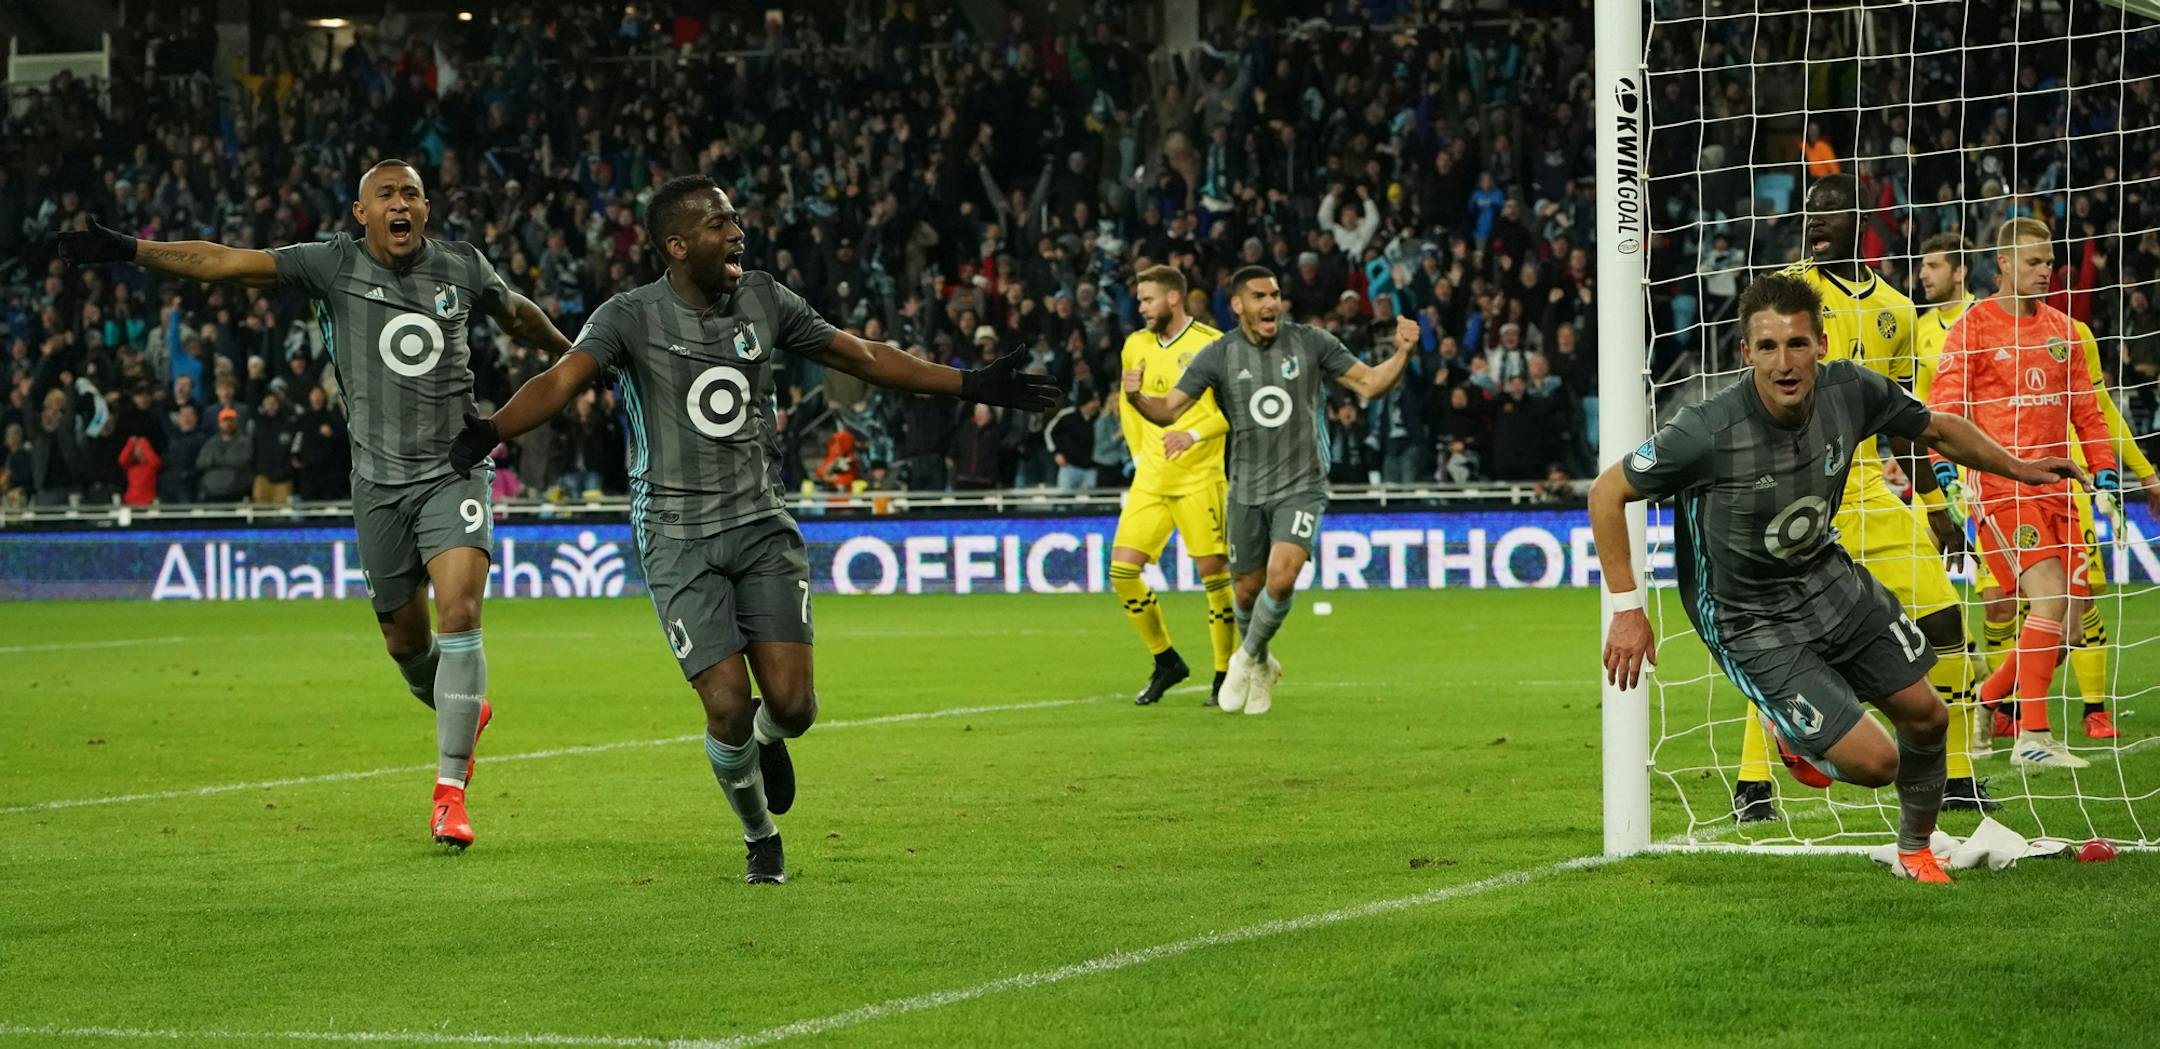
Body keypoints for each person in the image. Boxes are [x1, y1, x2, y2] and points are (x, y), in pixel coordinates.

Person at [449, 176, 1055, 885]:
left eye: (736, 217)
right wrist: (492, 430)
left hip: (761, 522)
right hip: (676, 532)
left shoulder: (764, 298)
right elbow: (561, 380)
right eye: (717, 223)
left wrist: (970, 382)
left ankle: (773, 739)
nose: (736, 232)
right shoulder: (628, 316)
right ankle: (758, 832)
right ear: (676, 245)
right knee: (728, 705)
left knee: (793, 706)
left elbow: (860, 354)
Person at [59, 158, 577, 849]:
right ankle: (460, 703)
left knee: (460, 609)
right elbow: (221, 264)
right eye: (386, 194)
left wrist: (580, 356)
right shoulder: (328, 265)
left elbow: (519, 316)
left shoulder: (462, 266)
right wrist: (129, 249)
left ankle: (449, 792)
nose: (401, 204)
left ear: (427, 209)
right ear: (360, 213)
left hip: (454, 470)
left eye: (413, 195)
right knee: (405, 639)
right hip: (377, 485)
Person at [1594, 274, 2089, 883]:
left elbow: (1934, 428)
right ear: (1746, 354)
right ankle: (1795, 735)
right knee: (1878, 762)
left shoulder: (1850, 390)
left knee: (1928, 717)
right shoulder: (1707, 430)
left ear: (1822, 345)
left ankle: (1915, 852)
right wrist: (1626, 608)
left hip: (1827, 579)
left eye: (1797, 344)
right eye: (1768, 347)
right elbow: (1607, 491)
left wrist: (2020, 467)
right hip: (1747, 616)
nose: (1784, 362)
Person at [1728, 173, 1988, 820]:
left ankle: (1955, 775)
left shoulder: (1897, 310)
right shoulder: (1785, 295)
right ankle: (1752, 785)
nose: (1816, 219)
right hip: (1792, 494)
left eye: (1833, 209)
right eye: (1810, 208)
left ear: (1864, 217)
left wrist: (1934, 505)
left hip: (1869, 490)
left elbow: (1905, 421)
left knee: (1946, 619)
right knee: (1780, 639)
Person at [1125, 266, 1415, 714]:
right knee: (1245, 590)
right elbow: (1167, 412)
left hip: (1302, 483)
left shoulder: (1311, 341)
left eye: (1275, 295)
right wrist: (1137, 398)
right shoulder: (1219, 354)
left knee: (1282, 577)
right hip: (1246, 488)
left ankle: (1244, 660)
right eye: (1259, 296)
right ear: (1237, 305)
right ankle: (1262, 663)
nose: (1270, 304)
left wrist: (1403, 352)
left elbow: (1370, 384)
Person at [1916, 232, 2160, 745]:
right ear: (2002, 262)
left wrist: (2106, 474)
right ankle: (2035, 737)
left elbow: (2090, 414)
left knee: (2069, 627)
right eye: (2033, 261)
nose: (2045, 270)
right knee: (2045, 604)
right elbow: (1943, 410)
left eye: (2049, 261)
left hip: (2060, 491)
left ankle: (1987, 702)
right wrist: (1945, 473)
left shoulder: (2067, 332)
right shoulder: (1971, 328)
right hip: (2001, 488)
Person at [1109, 265, 1235, 706]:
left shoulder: (1213, 345)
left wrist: (1194, 435)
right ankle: (1167, 661)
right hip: (1151, 480)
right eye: (1139, 300)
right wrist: (1139, 454)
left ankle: (1225, 676)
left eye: (1147, 300)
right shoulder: (1135, 345)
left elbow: (1234, 410)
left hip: (1200, 478)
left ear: (1173, 299)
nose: (1140, 307)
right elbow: (1129, 403)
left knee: (1214, 578)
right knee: (1122, 573)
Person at [197, 407, 251, 501]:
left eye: (231, 420)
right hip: (212, 491)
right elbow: (200, 462)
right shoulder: (211, 442)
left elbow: (243, 461)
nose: (228, 424)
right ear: (219, 423)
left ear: (236, 422)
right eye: (224, 421)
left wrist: (215, 460)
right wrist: (227, 460)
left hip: (235, 491)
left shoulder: (244, 442)